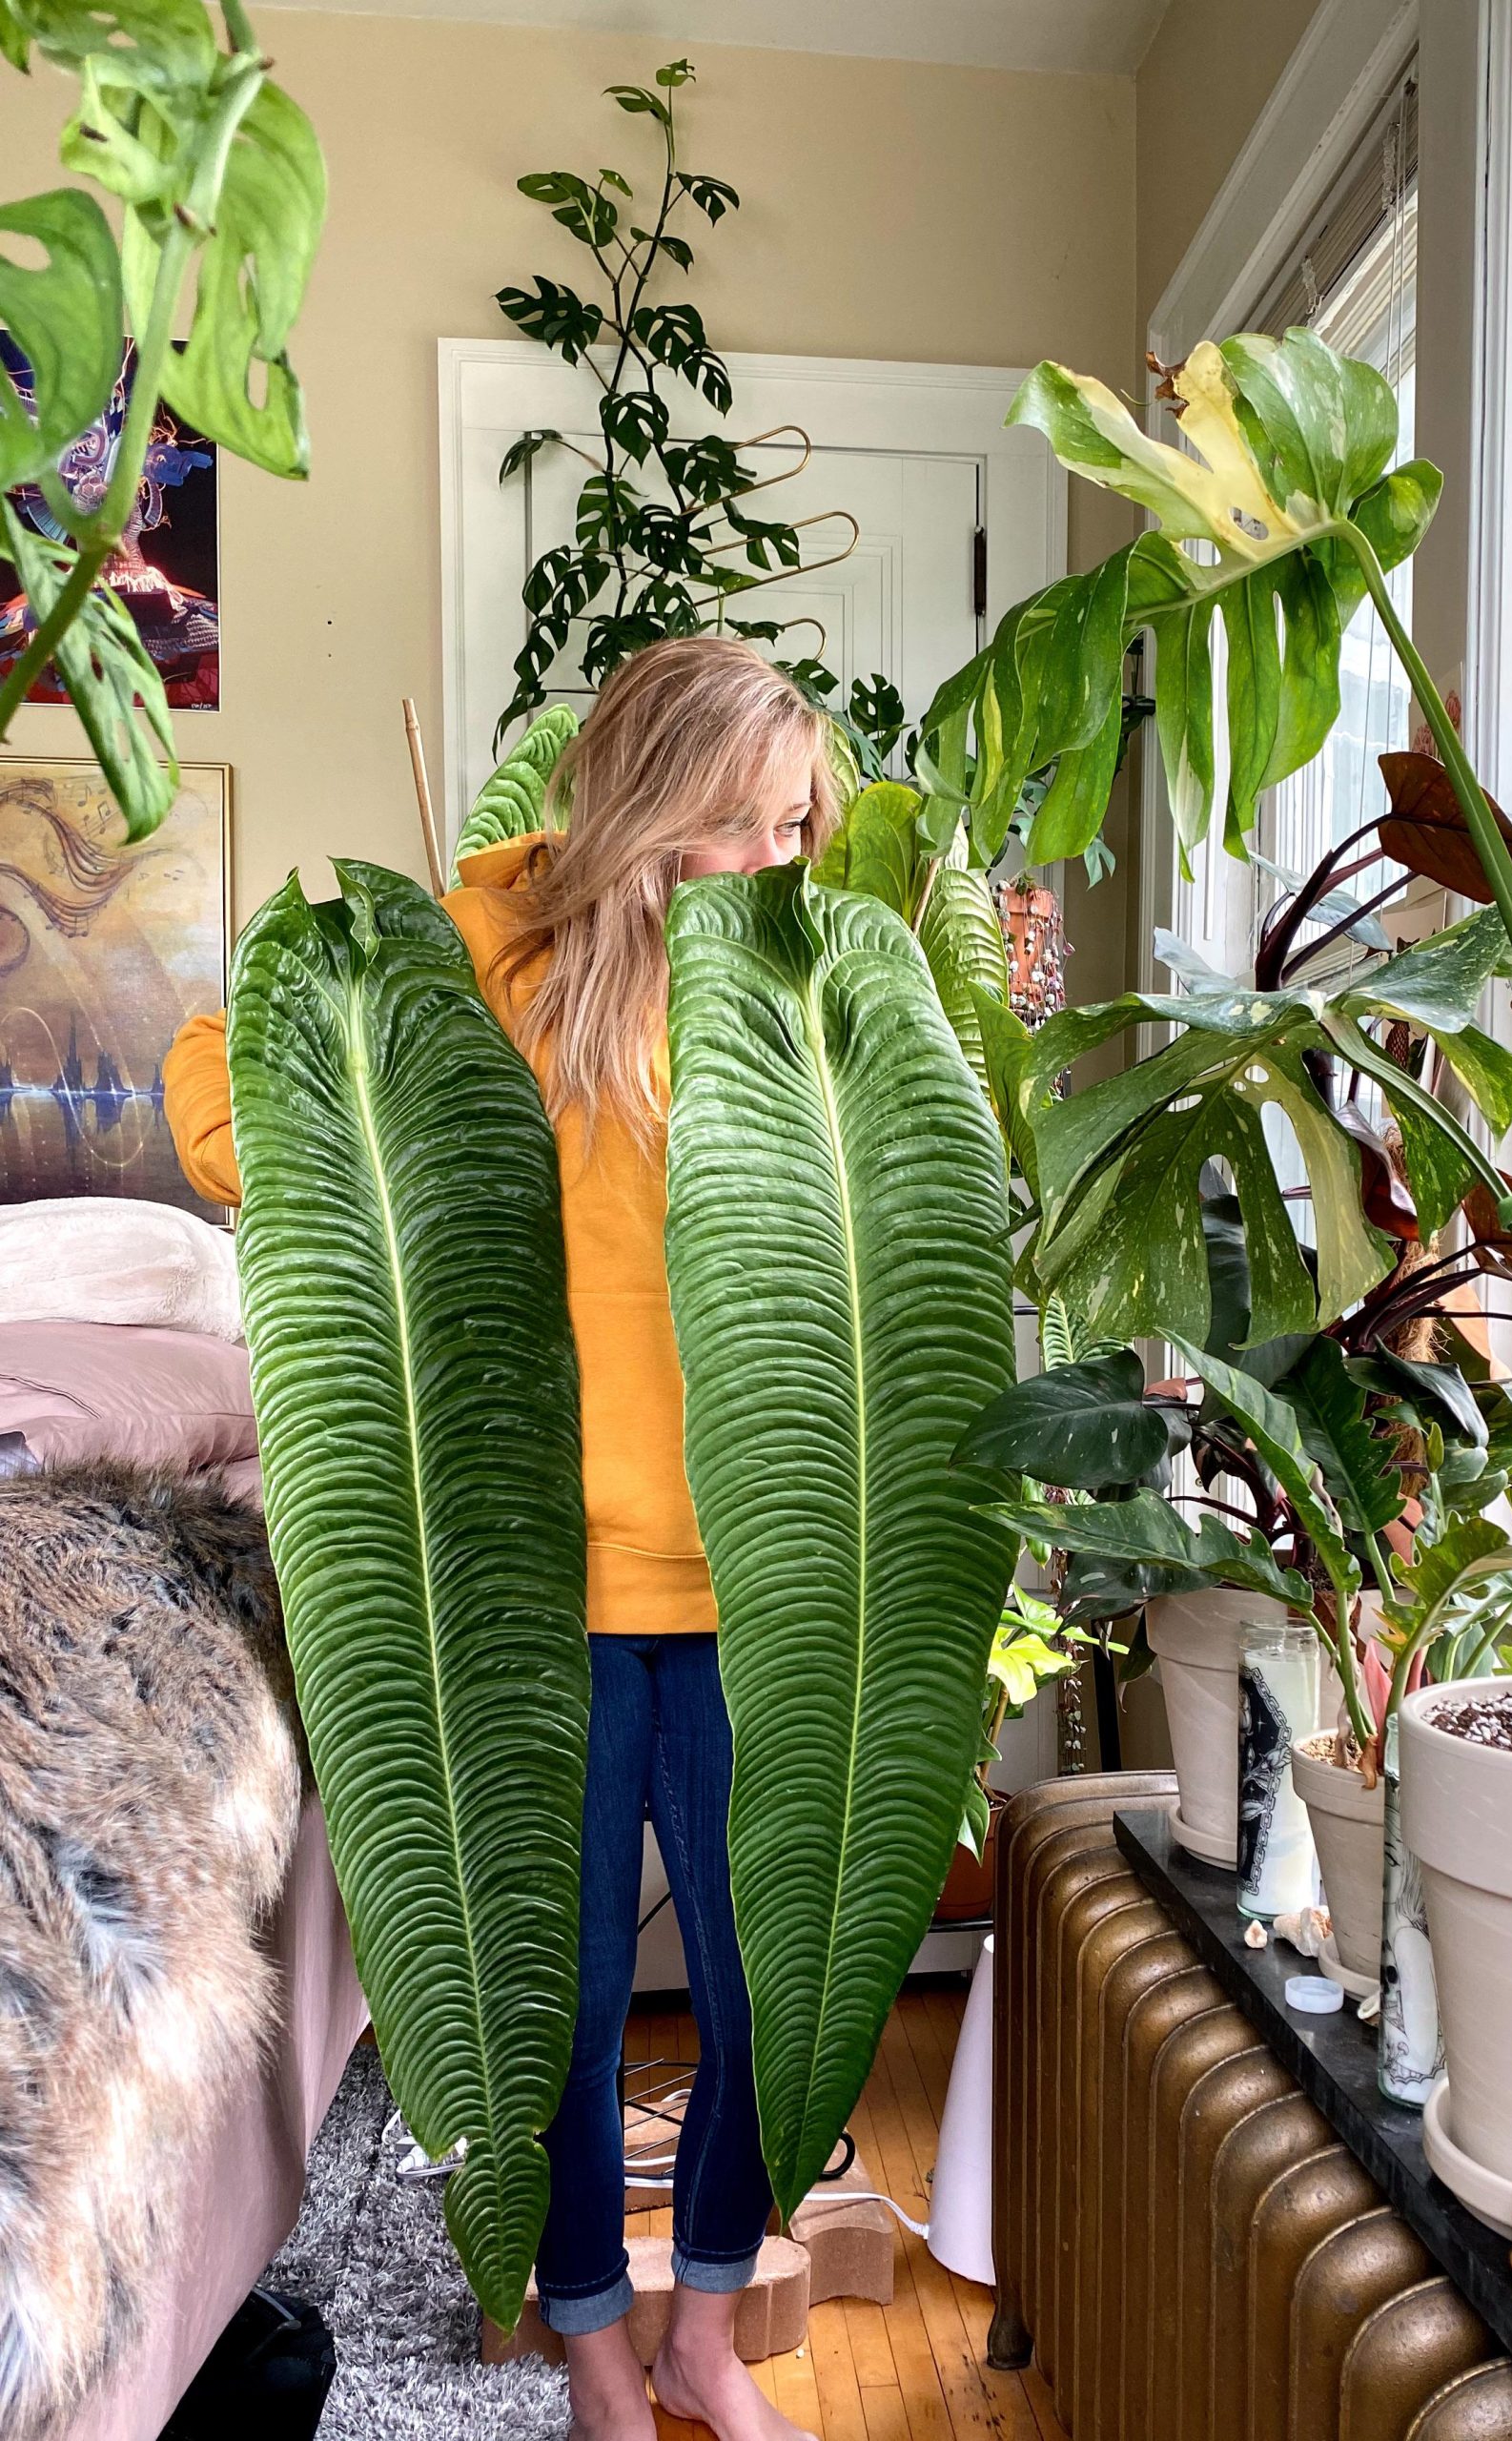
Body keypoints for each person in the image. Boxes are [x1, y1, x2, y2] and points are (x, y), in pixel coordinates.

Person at [165, 635, 834, 2441]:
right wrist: (355, 1145)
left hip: (759, 1596)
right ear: (656, 806)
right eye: (748, 825)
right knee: (565, 2019)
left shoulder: (801, 994)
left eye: (798, 829)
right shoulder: (491, 960)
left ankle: (706, 2335)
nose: (778, 865)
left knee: (773, 2004)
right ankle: (601, 2358)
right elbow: (224, 1075)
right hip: (537, 1609)